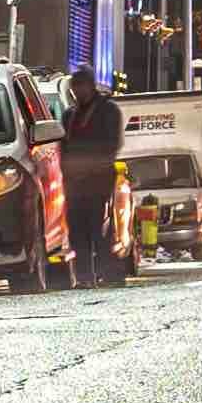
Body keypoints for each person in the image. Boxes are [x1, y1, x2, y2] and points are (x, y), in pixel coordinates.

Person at [58, 64, 128, 287]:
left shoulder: (108, 110)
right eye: (75, 88)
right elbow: (64, 147)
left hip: (97, 179)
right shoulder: (70, 115)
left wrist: (92, 165)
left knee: (98, 227)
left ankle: (111, 273)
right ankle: (84, 276)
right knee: (77, 229)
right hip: (74, 182)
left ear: (90, 86)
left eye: (82, 87)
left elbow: (111, 144)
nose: (78, 92)